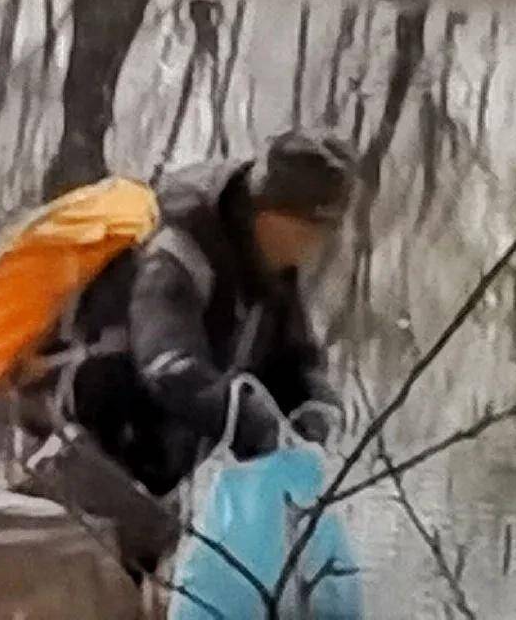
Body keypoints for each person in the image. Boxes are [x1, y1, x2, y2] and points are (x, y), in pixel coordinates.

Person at [31, 133, 351, 550]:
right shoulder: (177, 253)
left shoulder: (269, 265)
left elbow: (296, 361)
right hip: (87, 452)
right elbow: (168, 366)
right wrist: (250, 421)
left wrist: (316, 407)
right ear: (270, 214)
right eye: (309, 234)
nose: (312, 251)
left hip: (154, 474)